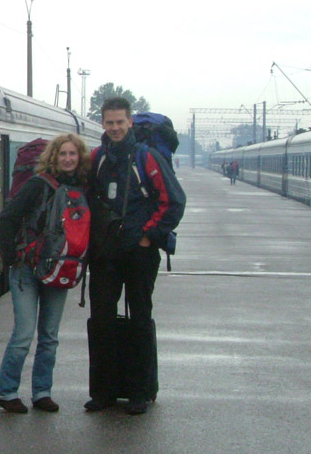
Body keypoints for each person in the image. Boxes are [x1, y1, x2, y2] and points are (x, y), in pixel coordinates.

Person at [85, 97, 185, 415]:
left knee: (140, 318)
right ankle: (103, 392)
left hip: (139, 252)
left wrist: (148, 236)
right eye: (109, 122)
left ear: (129, 122)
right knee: (101, 320)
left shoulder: (147, 157)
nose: (114, 128)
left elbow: (174, 201)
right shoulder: (97, 158)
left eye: (120, 122)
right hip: (105, 253)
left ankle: (140, 392)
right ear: (103, 123)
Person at [0, 133, 91, 414]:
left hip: (59, 266)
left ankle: (42, 393)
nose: (68, 159)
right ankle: (7, 391)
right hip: (26, 268)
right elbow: (6, 220)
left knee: (49, 336)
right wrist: (10, 257)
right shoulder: (38, 185)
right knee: (24, 334)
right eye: (63, 154)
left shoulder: (82, 188)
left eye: (73, 154)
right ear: (53, 157)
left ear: (79, 157)